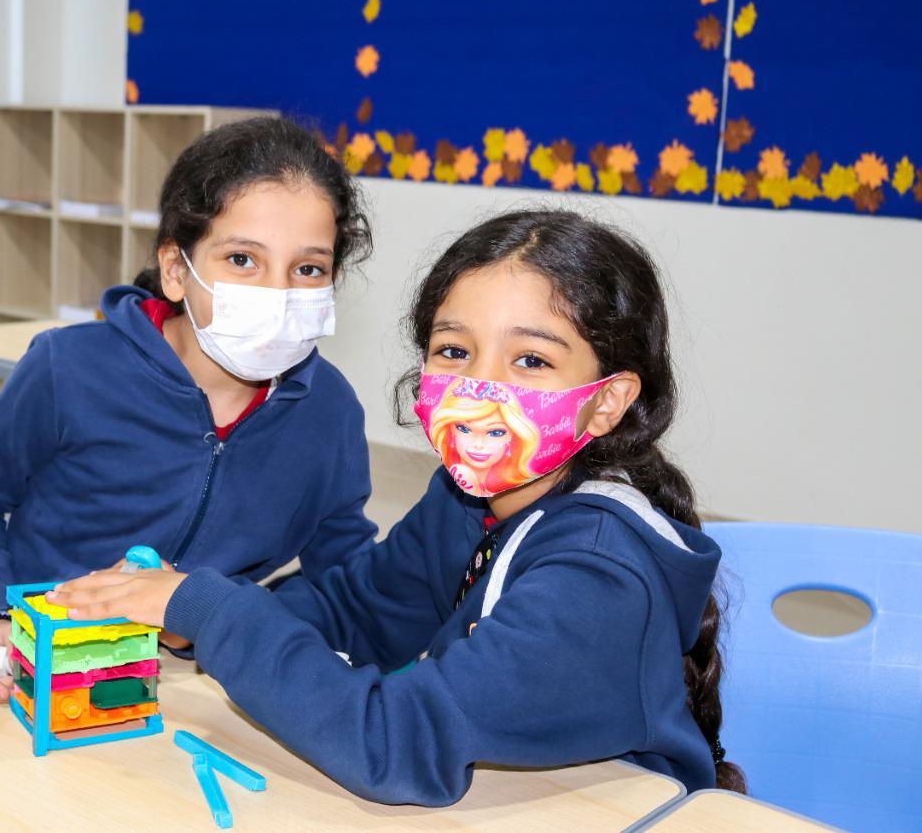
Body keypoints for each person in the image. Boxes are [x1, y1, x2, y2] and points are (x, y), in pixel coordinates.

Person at [47, 209, 746, 803]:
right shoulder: (470, 496)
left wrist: (208, 609)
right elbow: (362, 607)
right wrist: (194, 619)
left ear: (606, 400)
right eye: (454, 350)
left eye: (530, 360)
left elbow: (396, 741)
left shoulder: (600, 574)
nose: (479, 388)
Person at [0, 117, 377, 704]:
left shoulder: (329, 411)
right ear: (176, 269)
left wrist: (233, 626)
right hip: (43, 677)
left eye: (308, 268)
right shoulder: (68, 368)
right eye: (243, 260)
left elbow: (345, 573)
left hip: (203, 694)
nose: (278, 293)